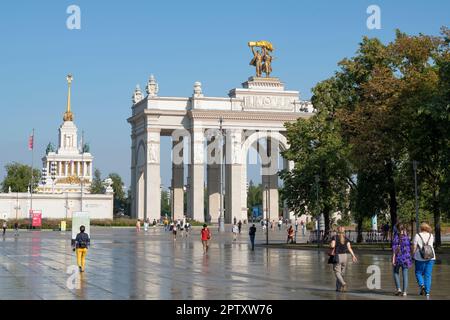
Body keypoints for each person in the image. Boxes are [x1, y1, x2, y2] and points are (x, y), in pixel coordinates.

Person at [329, 226, 358, 292]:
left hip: (337, 256)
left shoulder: (335, 237)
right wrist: (353, 256)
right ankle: (338, 288)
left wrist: (330, 245)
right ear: (344, 231)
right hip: (345, 256)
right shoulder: (346, 238)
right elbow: (349, 248)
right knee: (341, 273)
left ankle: (343, 283)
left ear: (337, 231)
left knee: (337, 272)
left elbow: (332, 246)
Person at [413, 223, 436, 298]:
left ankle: (422, 285)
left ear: (421, 228)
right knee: (428, 275)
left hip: (419, 257)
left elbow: (414, 246)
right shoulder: (431, 235)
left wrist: (412, 255)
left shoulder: (417, 235)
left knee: (418, 272)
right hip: (431, 257)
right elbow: (431, 244)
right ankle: (427, 292)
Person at [392, 223, 412, 296]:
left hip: (398, 258)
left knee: (395, 272)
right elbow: (409, 248)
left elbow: (395, 250)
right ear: (404, 229)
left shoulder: (396, 237)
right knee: (405, 275)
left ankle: (399, 289)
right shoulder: (406, 238)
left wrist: (393, 259)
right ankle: (405, 292)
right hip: (406, 258)